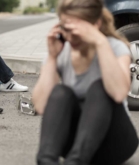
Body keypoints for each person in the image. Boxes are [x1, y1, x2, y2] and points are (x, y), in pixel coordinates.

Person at [32, 0, 138, 165]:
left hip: (114, 143)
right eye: (67, 28)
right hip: (73, 143)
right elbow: (40, 105)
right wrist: (52, 57)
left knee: (100, 88)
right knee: (61, 92)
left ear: (96, 24)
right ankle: (46, 160)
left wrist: (101, 42)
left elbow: (118, 94)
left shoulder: (115, 47)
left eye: (78, 29)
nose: (72, 36)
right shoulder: (61, 49)